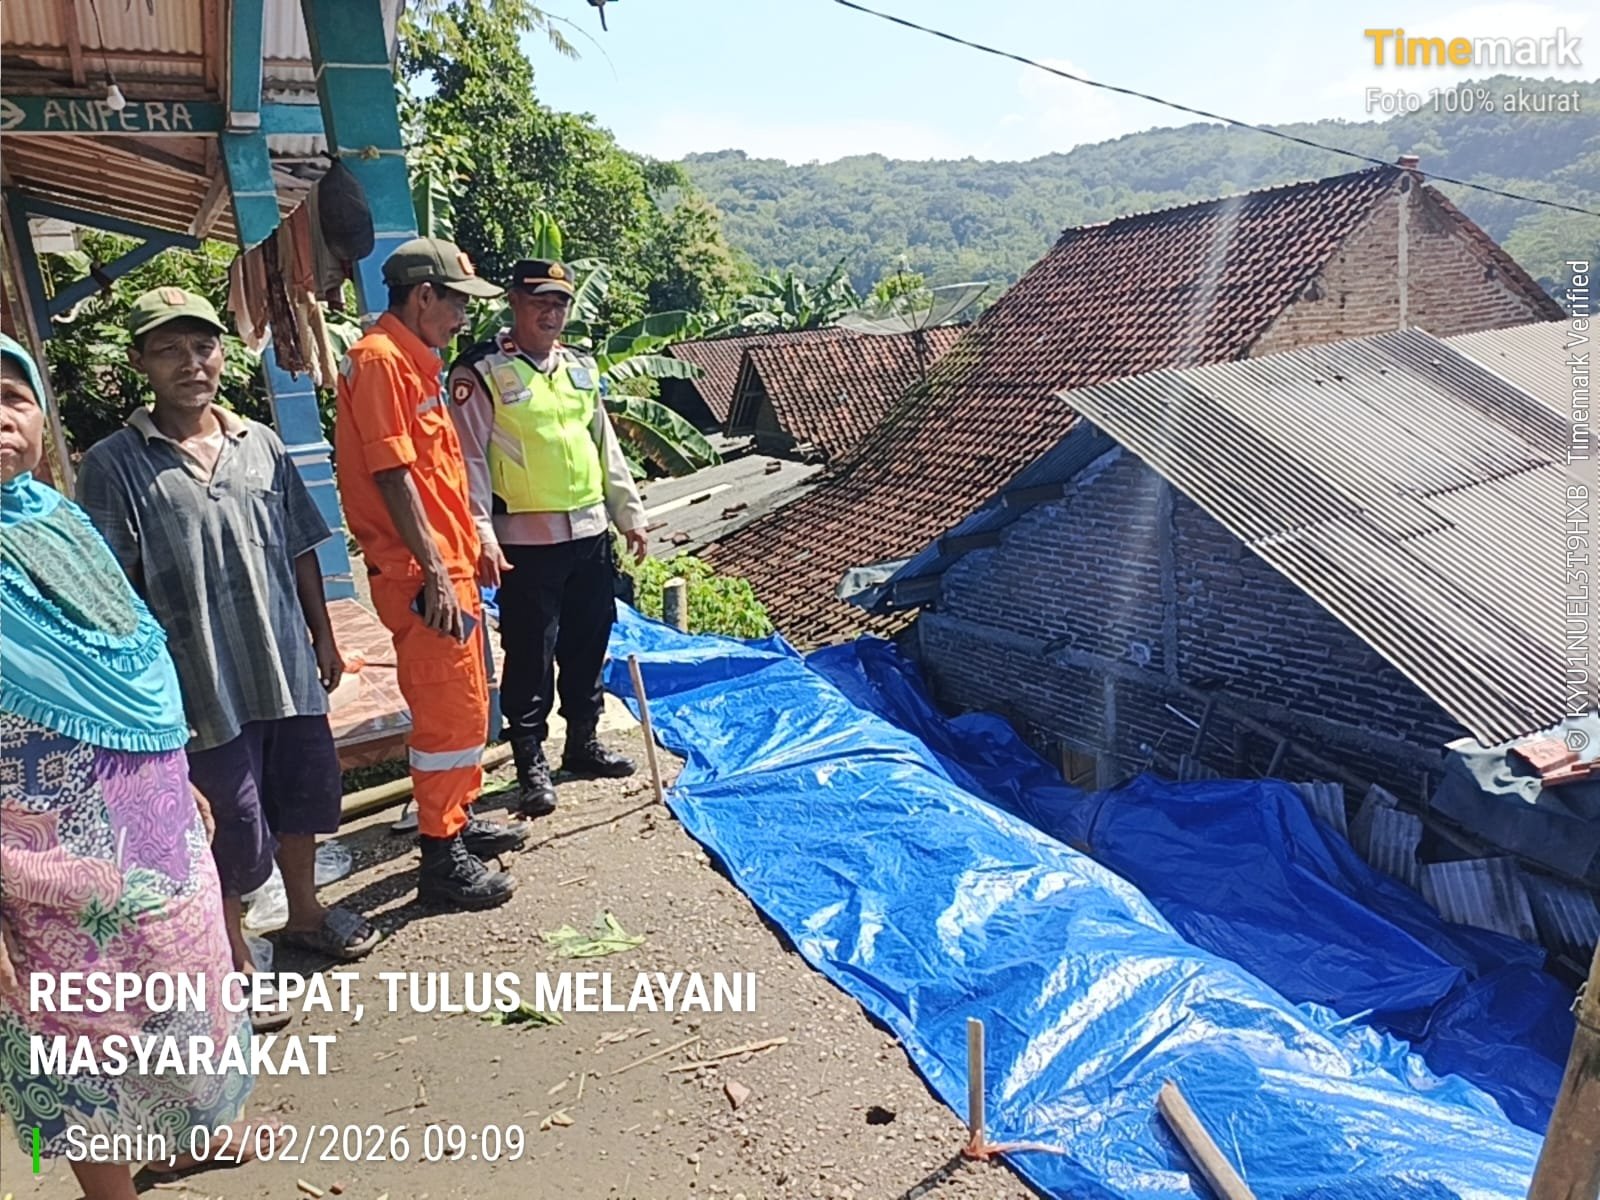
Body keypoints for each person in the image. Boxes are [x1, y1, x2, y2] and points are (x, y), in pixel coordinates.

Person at [0, 334, 257, 1199]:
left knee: (186, 981)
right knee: (75, 1027)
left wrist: (170, 772)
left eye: (14, 396)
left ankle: (186, 1139)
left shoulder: (56, 519)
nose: (1, 417)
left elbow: (129, 659)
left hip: (149, 823)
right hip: (39, 858)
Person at [76, 288, 378, 1003]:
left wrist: (324, 637)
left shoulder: (259, 443)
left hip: (283, 665)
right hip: (199, 685)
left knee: (304, 796)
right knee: (230, 819)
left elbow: (304, 546)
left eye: (203, 346)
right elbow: (110, 589)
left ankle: (303, 913)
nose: (192, 363)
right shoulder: (115, 464)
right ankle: (233, 954)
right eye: (170, 350)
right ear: (140, 363)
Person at [335, 238, 525, 909]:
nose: (462, 320)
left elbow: (434, 477)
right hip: (424, 579)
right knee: (447, 717)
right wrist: (436, 575)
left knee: (469, 705)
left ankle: (460, 818)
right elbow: (392, 476)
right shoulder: (380, 362)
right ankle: (442, 858)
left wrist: (470, 547)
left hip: (447, 568)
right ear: (424, 297)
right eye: (455, 306)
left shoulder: (418, 365)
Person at [449, 259, 648, 818]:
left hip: (588, 532)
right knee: (530, 653)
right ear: (514, 301)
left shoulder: (580, 369)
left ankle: (582, 741)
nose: (551, 311)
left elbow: (603, 447)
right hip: (525, 543)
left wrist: (628, 513)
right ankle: (531, 757)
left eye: (560, 302)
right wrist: (481, 532)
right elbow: (467, 462)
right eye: (539, 300)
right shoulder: (481, 372)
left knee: (589, 640)